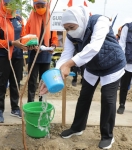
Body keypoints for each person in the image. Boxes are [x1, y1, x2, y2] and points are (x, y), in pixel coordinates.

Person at [40, 6, 126, 149]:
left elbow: (94, 47)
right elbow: (66, 55)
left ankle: (107, 136)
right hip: (92, 68)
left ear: (81, 20)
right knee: (84, 96)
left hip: (112, 65)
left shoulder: (100, 21)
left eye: (72, 27)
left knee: (108, 99)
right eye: (66, 28)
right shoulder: (71, 36)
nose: (70, 31)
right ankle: (77, 128)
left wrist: (69, 64)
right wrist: (54, 75)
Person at [0, 0, 27, 123]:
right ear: (2, 3)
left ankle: (15, 108)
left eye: (12, 4)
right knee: (1, 83)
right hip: (2, 56)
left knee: (15, 82)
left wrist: (27, 44)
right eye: (7, 4)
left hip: (17, 56)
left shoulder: (19, 19)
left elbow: (23, 36)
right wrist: (10, 43)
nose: (9, 7)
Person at [25, 0, 58, 102]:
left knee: (44, 81)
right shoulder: (31, 18)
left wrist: (53, 45)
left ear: (46, 5)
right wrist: (32, 45)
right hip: (34, 54)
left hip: (46, 54)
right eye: (37, 6)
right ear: (34, 6)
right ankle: (30, 103)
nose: (40, 8)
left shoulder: (50, 17)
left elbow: (54, 36)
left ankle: (42, 103)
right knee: (32, 81)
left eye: (42, 6)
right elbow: (26, 36)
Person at [117, 21, 132, 114]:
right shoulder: (127, 27)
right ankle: (121, 104)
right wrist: (122, 60)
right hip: (128, 64)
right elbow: (122, 44)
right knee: (124, 86)